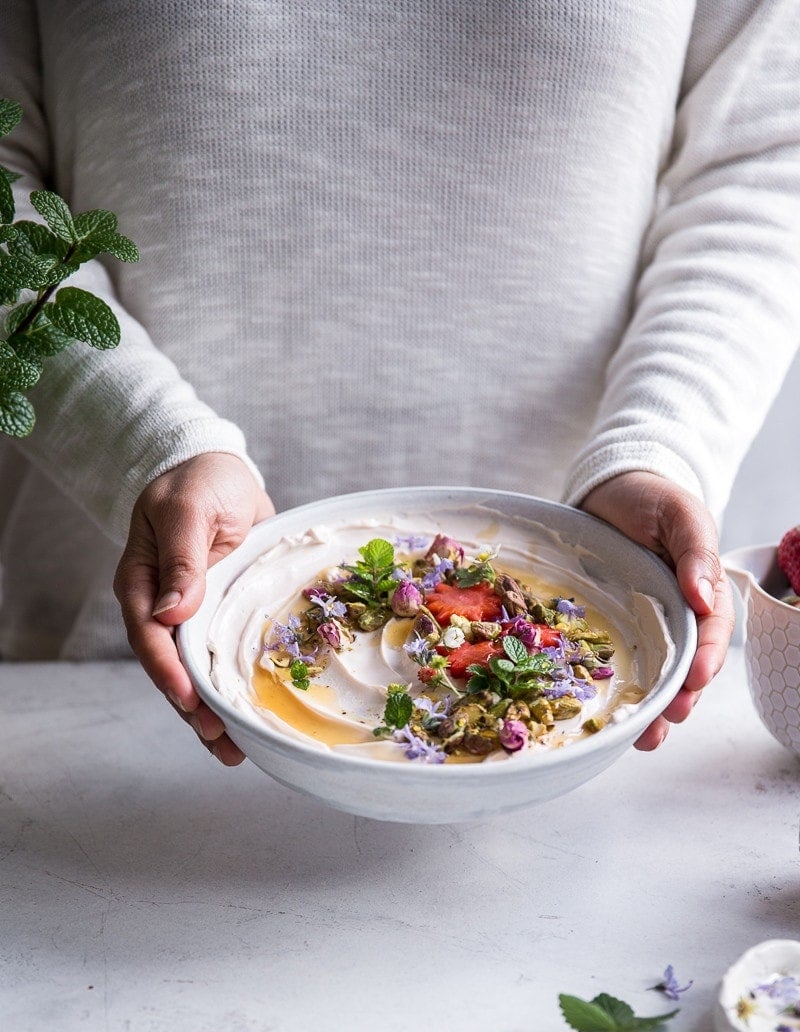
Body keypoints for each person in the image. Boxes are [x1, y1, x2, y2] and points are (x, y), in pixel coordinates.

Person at [2, 2, 799, 765]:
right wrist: (149, 445)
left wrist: (657, 442)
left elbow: (764, 159)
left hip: (595, 663)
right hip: (105, 675)